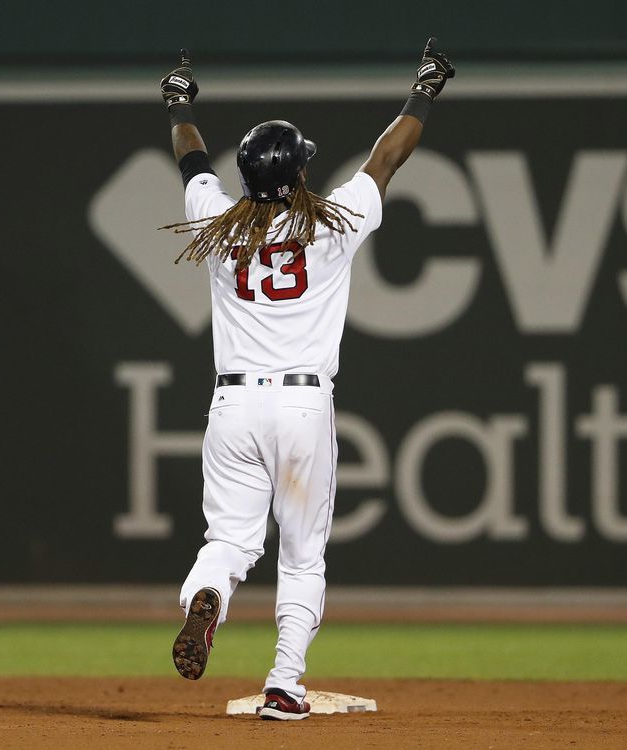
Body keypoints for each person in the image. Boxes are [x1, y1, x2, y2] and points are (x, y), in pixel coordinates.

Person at [160, 41, 454, 720]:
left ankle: (208, 595)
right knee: (301, 557)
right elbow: (387, 156)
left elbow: (190, 155)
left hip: (232, 405)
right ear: (298, 174)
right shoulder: (332, 224)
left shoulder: (216, 219)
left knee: (228, 542)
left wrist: (177, 102)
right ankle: (284, 685)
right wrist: (425, 92)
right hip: (299, 407)